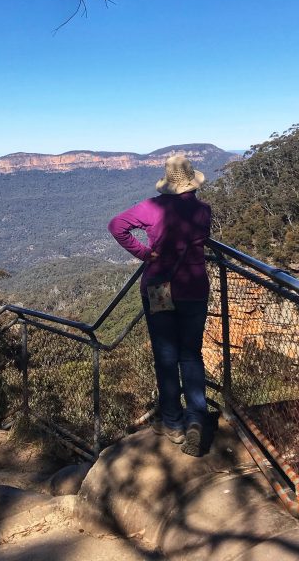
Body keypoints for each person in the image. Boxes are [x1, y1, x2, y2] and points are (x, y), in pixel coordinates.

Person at [108, 154, 212, 456]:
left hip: (160, 288)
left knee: (165, 357)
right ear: (192, 180)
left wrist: (144, 253)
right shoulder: (203, 210)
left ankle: (173, 423)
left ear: (168, 182)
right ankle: (196, 418)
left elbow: (116, 226)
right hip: (194, 288)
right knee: (190, 355)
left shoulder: (153, 207)